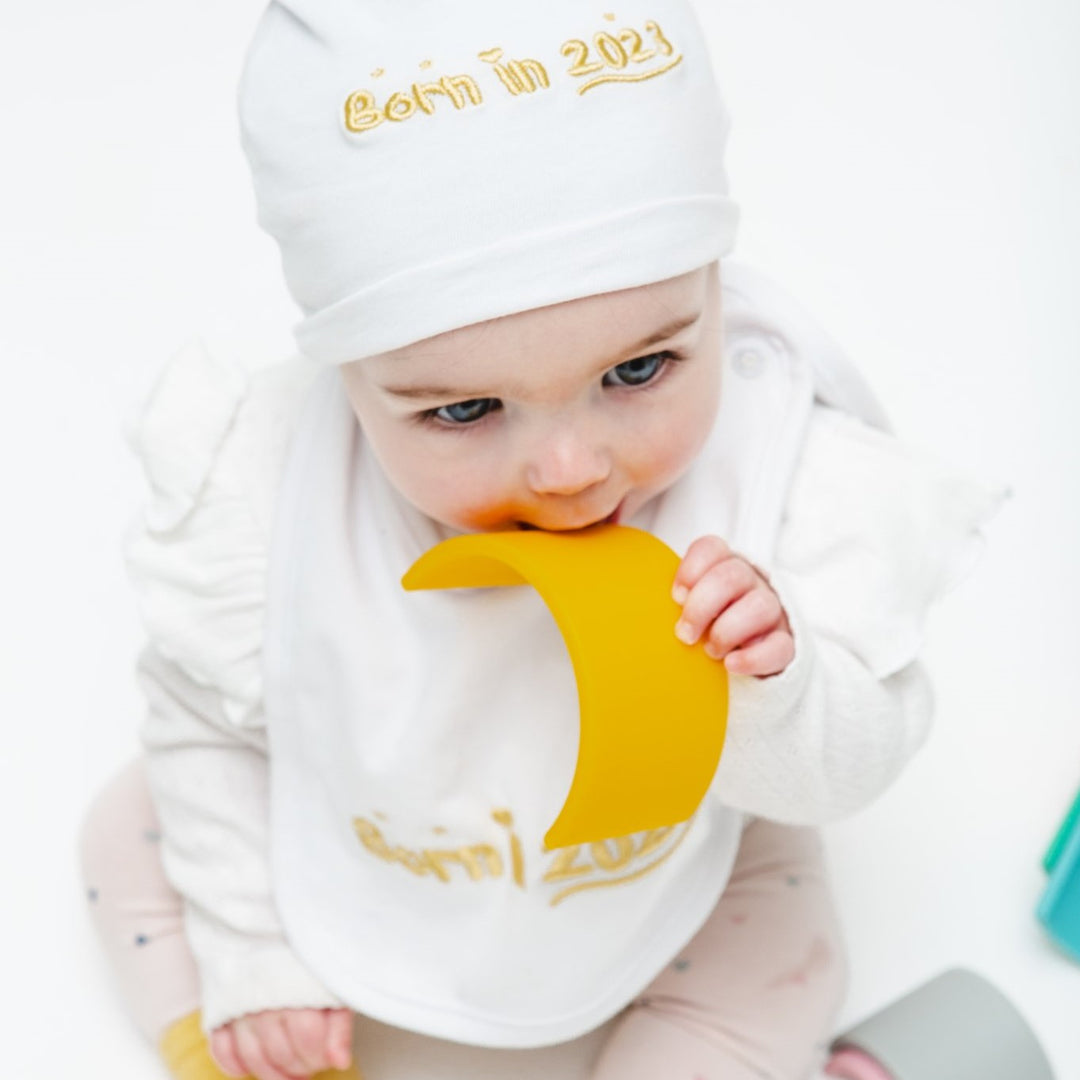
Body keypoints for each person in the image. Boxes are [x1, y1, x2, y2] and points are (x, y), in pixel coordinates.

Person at [79, 1, 1000, 1078]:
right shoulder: (273, 480)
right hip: (374, 823)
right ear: (350, 378)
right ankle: (258, 1053)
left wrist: (773, 683)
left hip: (673, 871)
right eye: (464, 413)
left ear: (714, 289)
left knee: (776, 925)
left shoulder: (780, 462)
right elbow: (201, 721)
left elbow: (862, 760)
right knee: (132, 826)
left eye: (638, 371)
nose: (571, 471)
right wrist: (251, 951)